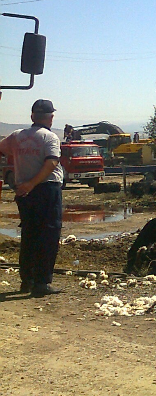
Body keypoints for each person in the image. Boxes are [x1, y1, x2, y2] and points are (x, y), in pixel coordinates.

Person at [0, 99, 65, 297]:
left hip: (25, 193)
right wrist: (33, 183)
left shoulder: (17, 136)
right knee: (48, 235)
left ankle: (27, 280)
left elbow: (2, 148)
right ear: (51, 118)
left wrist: (17, 175)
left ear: (32, 116)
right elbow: (51, 162)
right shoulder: (50, 137)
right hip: (46, 189)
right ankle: (42, 282)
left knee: (30, 234)